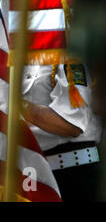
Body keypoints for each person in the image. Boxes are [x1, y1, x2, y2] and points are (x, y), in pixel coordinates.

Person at [20, 63, 103, 201]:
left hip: (72, 174)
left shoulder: (67, 57)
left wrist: (16, 104)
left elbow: (71, 124)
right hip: (31, 175)